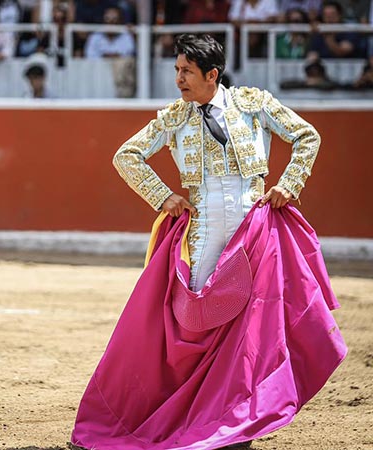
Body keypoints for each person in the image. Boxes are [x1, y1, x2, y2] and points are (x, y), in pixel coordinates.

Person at [69, 33, 346, 450]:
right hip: (202, 235)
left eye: (186, 71)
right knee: (197, 326)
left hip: (252, 231)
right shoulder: (174, 117)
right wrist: (164, 196)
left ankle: (235, 422)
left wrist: (289, 184)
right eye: (177, 70)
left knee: (251, 330)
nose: (178, 78)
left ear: (211, 74)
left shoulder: (253, 103)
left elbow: (307, 136)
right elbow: (126, 155)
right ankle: (195, 417)